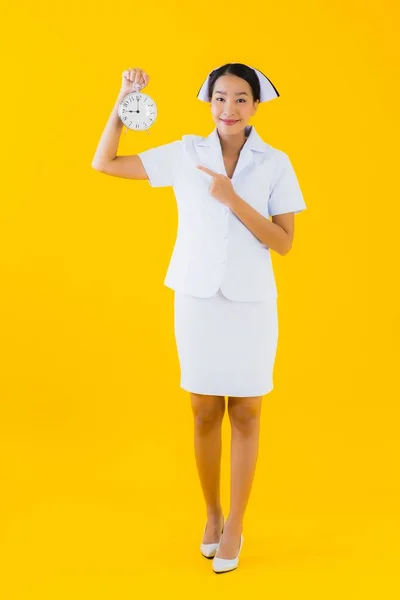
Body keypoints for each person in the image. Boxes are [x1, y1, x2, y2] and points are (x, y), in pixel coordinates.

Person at [91, 63, 307, 573]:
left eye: (239, 100)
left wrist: (233, 200)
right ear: (209, 104)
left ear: (256, 106)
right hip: (197, 300)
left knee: (248, 414)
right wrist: (123, 101)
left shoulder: (275, 163)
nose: (228, 109)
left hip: (252, 303)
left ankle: (236, 524)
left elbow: (284, 242)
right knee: (205, 411)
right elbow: (105, 162)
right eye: (219, 99)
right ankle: (211, 514)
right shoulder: (186, 153)